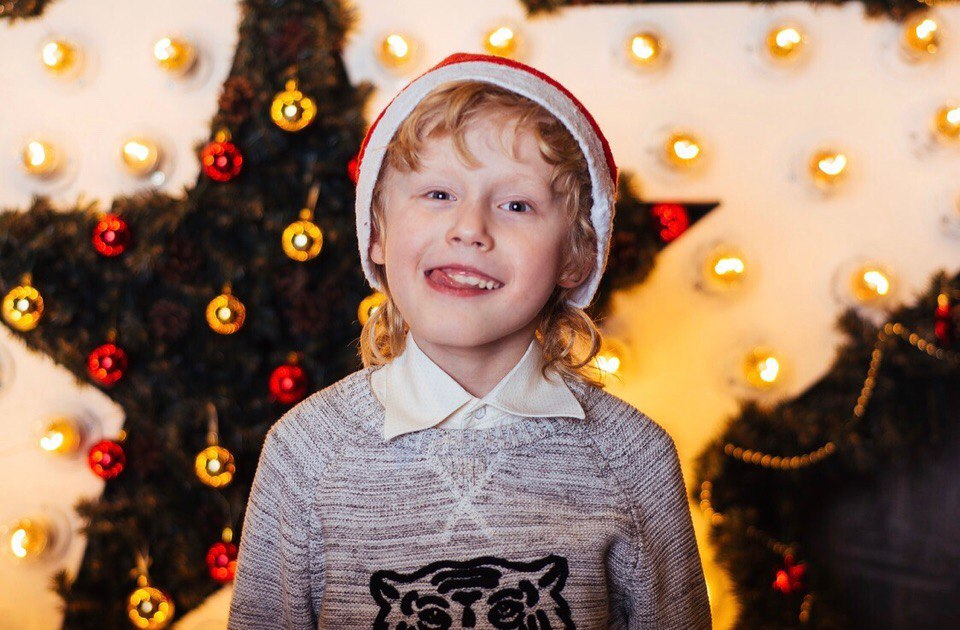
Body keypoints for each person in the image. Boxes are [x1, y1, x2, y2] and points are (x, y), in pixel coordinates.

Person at [228, 52, 711, 629]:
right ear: (377, 231)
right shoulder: (305, 453)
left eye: (516, 205)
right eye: (438, 194)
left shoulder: (632, 458)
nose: (469, 229)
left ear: (577, 255)